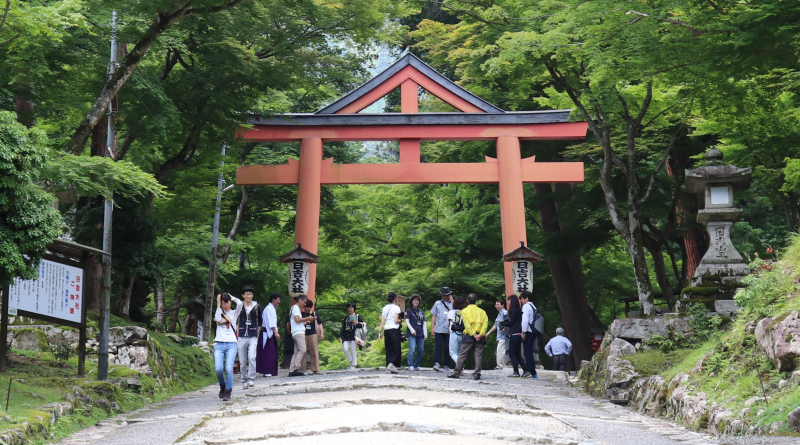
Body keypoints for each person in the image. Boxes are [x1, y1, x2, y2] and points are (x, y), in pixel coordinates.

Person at [448, 293, 488, 380]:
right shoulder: (482, 312)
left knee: (462, 355)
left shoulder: (464, 311)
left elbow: (467, 324)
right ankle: (477, 373)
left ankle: (456, 373)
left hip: (469, 336)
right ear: (476, 301)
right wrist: (480, 334)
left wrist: (473, 334)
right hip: (480, 336)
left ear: (467, 301)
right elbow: (485, 324)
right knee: (478, 355)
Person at [234, 285, 261, 389]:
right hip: (241, 335)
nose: (248, 296)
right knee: (242, 360)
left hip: (253, 335)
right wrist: (236, 331)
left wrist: (257, 330)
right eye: (246, 294)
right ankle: (244, 379)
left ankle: (251, 378)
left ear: (252, 295)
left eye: (250, 294)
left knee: (252, 357)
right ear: (243, 295)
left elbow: (260, 321)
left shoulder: (257, 306)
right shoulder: (239, 306)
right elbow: (235, 319)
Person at [213, 293, 238, 401]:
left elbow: (240, 303)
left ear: (230, 302)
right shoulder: (220, 312)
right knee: (218, 369)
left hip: (231, 343)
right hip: (218, 343)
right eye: (224, 303)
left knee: (228, 368)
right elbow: (218, 319)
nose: (226, 305)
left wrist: (230, 296)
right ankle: (222, 385)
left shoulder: (235, 313)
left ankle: (228, 390)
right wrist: (218, 303)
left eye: (227, 303)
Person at [288, 295, 316, 377]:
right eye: (304, 302)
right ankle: (296, 368)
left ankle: (291, 370)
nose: (305, 304)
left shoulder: (293, 308)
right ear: (300, 300)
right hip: (298, 333)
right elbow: (297, 319)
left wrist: (307, 322)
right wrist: (308, 318)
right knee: (303, 349)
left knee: (296, 352)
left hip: (295, 331)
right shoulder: (296, 308)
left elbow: (297, 322)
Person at [377, 292, 402, 373]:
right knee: (396, 348)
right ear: (395, 299)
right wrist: (401, 320)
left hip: (386, 329)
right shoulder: (396, 308)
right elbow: (396, 320)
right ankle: (391, 364)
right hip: (394, 329)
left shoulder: (384, 308)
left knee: (389, 348)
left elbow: (382, 321)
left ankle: (389, 365)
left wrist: (379, 332)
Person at [257, 293, 280, 377]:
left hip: (270, 333)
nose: (279, 301)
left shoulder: (271, 308)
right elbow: (271, 322)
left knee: (272, 352)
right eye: (278, 299)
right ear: (273, 299)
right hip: (267, 333)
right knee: (268, 352)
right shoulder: (269, 308)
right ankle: (267, 371)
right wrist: (275, 332)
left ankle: (270, 370)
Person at [430, 287, 453, 372]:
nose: (445, 297)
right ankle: (437, 363)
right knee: (438, 346)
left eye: (447, 295)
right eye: (444, 295)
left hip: (449, 330)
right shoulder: (438, 303)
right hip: (439, 328)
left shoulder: (452, 304)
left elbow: (457, 312)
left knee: (448, 347)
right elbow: (434, 315)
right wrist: (432, 328)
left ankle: (447, 364)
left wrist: (452, 301)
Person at [501, 294, 524, 378]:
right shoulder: (518, 310)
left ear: (512, 301)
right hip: (518, 334)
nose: (508, 302)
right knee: (518, 354)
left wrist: (502, 323)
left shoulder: (514, 310)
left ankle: (516, 372)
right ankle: (526, 370)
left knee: (512, 354)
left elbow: (511, 323)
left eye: (509, 300)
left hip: (514, 334)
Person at [338, 302, 365, 369]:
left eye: (351, 307)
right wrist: (340, 336)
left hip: (354, 336)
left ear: (354, 308)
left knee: (353, 349)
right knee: (345, 349)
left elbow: (362, 325)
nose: (350, 309)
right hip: (346, 336)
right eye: (348, 307)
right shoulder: (346, 318)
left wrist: (356, 323)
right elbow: (343, 327)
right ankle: (351, 361)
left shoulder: (357, 316)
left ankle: (354, 365)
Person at [405, 294, 427, 371]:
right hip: (412, 334)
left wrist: (425, 333)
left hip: (420, 333)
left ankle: (416, 365)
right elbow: (407, 321)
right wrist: (412, 330)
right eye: (414, 300)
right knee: (412, 349)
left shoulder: (421, 312)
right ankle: (410, 364)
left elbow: (424, 323)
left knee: (421, 350)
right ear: (411, 301)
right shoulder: (409, 310)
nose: (416, 302)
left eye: (417, 300)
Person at [519, 291, 538, 379]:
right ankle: (532, 372)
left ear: (526, 298)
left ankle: (531, 371)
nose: (521, 300)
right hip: (533, 331)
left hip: (528, 331)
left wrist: (524, 332)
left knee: (527, 353)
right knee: (530, 352)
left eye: (522, 298)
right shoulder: (533, 306)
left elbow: (525, 321)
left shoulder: (526, 306)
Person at [301, 300, 324, 374]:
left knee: (314, 351)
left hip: (313, 334)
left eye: (308, 307)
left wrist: (321, 333)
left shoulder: (314, 314)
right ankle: (302, 369)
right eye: (305, 307)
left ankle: (315, 368)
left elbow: (320, 324)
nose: (307, 308)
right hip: (303, 334)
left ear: (311, 307)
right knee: (302, 352)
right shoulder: (301, 314)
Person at [485, 299, 508, 370]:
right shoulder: (500, 313)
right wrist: (489, 332)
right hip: (501, 335)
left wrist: (505, 329)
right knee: (501, 349)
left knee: (500, 349)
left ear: (502, 305)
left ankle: (500, 366)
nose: (496, 306)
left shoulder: (505, 313)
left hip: (504, 335)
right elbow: (496, 325)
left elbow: (507, 323)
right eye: (496, 305)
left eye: (498, 305)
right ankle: (502, 365)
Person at [447, 296, 466, 365]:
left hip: (453, 333)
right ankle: (460, 368)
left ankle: (461, 365)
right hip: (462, 334)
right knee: (460, 353)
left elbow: (447, 323)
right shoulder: (465, 312)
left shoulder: (451, 312)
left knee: (453, 353)